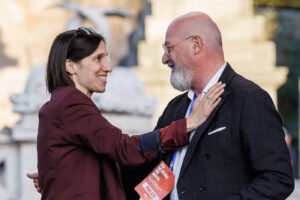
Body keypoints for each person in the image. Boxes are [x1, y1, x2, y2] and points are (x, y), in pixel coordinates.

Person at [28, 27, 224, 200]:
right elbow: (124, 148)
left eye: (106, 57)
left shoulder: (60, 103)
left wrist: (57, 174)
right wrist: (189, 123)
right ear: (70, 66)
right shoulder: (71, 104)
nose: (108, 67)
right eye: (98, 58)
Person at [121, 11, 295, 200]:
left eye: (169, 48)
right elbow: (154, 174)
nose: (164, 59)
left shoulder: (248, 98)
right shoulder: (175, 108)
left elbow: (278, 178)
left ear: (196, 45)